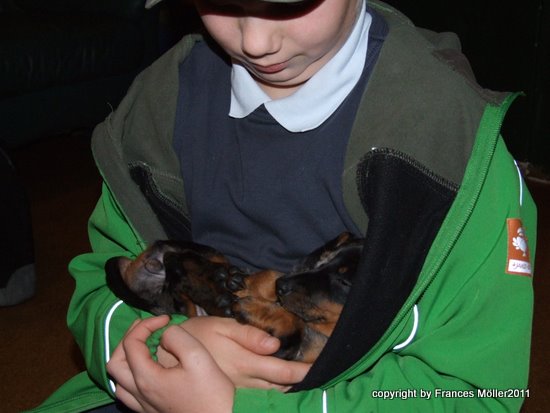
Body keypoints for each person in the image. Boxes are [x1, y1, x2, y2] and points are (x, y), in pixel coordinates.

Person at [29, 0, 537, 412]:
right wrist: (169, 346)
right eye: (221, 1)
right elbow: (98, 289)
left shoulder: (452, 142)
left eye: (288, 2)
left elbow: (477, 392)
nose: (255, 41)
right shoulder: (158, 105)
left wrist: (237, 407)